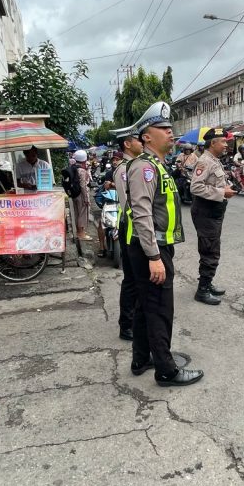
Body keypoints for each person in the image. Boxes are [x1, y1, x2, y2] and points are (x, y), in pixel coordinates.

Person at [123, 102, 204, 387]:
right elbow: (141, 214)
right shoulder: (144, 167)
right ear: (147, 136)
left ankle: (141, 358)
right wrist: (154, 257)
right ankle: (166, 370)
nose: (170, 132)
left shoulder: (157, 164)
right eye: (163, 128)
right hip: (150, 248)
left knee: (146, 306)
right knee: (159, 309)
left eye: (170, 128)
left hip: (154, 246)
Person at [189, 128, 236, 306]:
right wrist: (222, 192)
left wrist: (226, 187)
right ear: (213, 143)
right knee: (210, 251)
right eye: (223, 141)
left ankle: (207, 283)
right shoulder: (204, 161)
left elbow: (214, 182)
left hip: (214, 211)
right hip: (206, 212)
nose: (226, 145)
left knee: (211, 248)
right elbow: (196, 187)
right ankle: (202, 290)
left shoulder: (214, 160)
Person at [110, 126, 143, 342]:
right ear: (127, 144)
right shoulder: (124, 169)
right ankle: (127, 325)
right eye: (138, 140)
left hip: (134, 226)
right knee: (131, 279)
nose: (142, 143)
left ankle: (135, 319)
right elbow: (128, 204)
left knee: (138, 278)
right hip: (130, 227)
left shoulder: (134, 165)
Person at [71, 149, 92, 241]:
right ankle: (81, 234)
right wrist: (86, 199)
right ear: (84, 159)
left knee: (77, 213)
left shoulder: (73, 167)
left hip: (75, 194)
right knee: (82, 214)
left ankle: (79, 231)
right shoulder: (82, 171)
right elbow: (83, 185)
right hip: (81, 195)